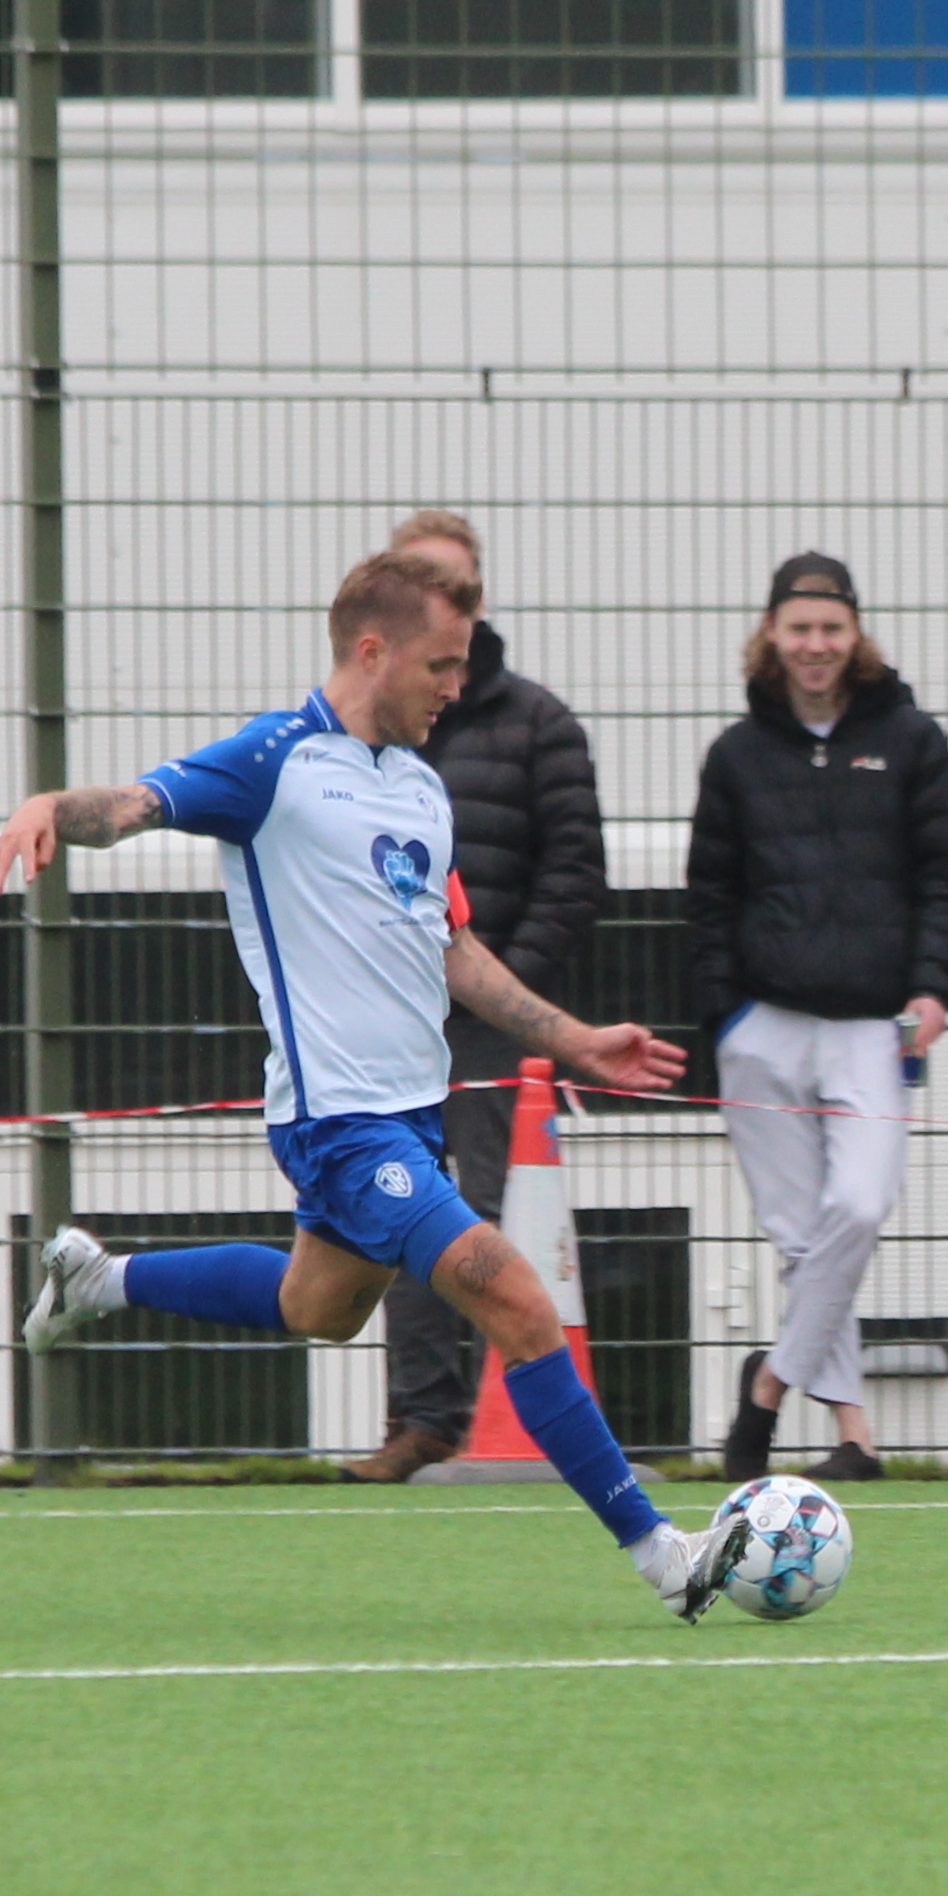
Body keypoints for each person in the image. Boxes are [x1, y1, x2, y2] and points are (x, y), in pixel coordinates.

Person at [0, 551, 745, 1617]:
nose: (456, 687)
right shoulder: (274, 760)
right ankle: (663, 1554)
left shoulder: (422, 788)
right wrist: (48, 805)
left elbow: (454, 948)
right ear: (372, 649)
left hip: (410, 1116)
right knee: (518, 1298)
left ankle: (99, 1280)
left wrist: (575, 1039)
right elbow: (133, 805)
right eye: (442, 665)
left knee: (319, 1308)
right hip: (340, 1123)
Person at [685, 553, 948, 1485]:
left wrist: (932, 987)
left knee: (858, 1205)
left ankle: (768, 1387)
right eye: (800, 628)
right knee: (801, 1238)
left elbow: (945, 874)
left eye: (831, 628)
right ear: (772, 633)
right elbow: (709, 894)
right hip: (761, 1024)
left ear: (856, 634)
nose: (816, 645)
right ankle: (855, 1433)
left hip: (870, 1025)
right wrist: (725, 1019)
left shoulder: (912, 740)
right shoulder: (736, 754)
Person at [342, 509, 609, 1483]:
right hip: (386, 1024)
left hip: (491, 1029)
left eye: (448, 583)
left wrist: (504, 987)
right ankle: (422, 1420)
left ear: (476, 599)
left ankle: (518, 1424)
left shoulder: (539, 724)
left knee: (483, 1218)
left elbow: (575, 873)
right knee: (389, 1214)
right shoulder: (353, 737)